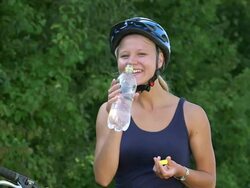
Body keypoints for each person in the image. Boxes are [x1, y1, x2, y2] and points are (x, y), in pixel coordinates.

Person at [94, 17, 216, 188]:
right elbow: (103, 178)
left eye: (142, 54)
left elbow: (209, 183)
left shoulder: (192, 114)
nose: (131, 61)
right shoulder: (107, 111)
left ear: (160, 60)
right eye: (124, 55)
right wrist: (118, 114)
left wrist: (180, 172)